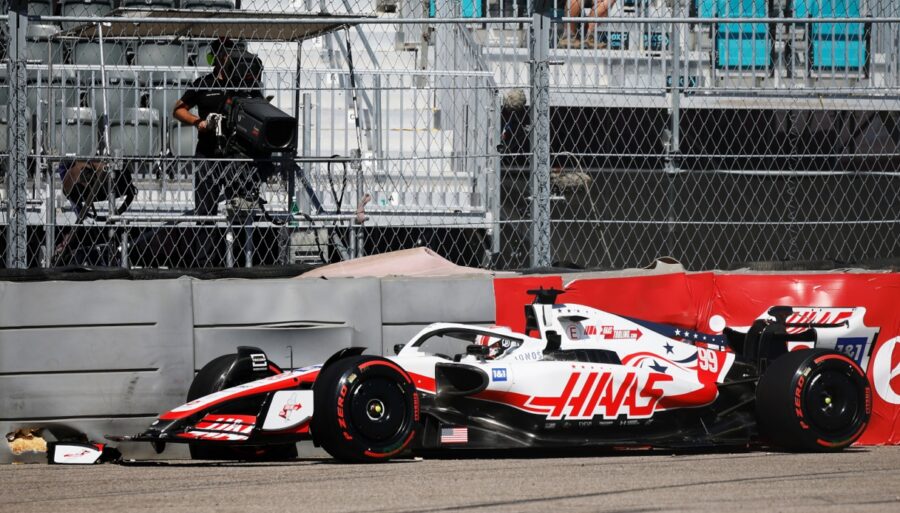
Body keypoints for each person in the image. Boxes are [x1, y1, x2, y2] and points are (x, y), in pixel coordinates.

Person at [172, 37, 238, 266]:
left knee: (238, 207)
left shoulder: (243, 83)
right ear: (216, 57)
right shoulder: (203, 83)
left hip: (234, 153)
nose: (227, 58)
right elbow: (178, 109)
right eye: (223, 53)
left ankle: (238, 259)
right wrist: (198, 122)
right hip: (207, 152)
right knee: (205, 210)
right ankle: (204, 262)